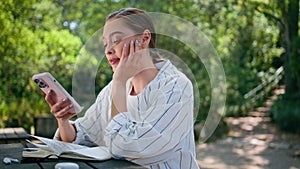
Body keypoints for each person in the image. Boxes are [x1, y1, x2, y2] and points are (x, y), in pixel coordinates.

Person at [45, 8, 200, 169]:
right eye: (106, 44)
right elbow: (84, 135)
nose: (108, 50)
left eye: (116, 40)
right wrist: (63, 121)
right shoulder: (113, 89)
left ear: (145, 38)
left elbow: (125, 148)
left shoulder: (175, 87)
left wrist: (119, 82)